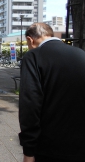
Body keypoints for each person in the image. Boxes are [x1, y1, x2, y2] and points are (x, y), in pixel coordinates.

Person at [19, 23, 85, 162]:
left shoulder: (33, 57)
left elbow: (30, 103)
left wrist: (29, 150)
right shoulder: (80, 54)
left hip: (49, 146)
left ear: (30, 40)